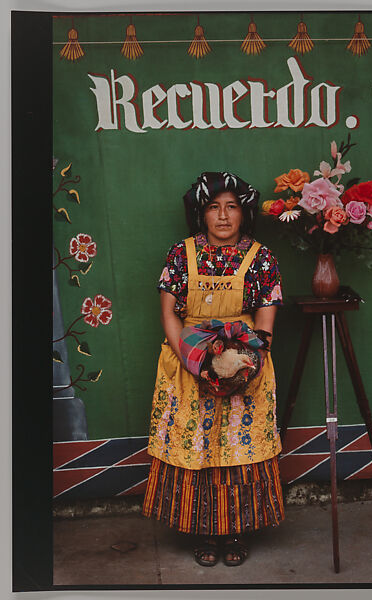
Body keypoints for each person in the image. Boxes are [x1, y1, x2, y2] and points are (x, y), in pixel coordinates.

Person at [142, 171, 285, 567]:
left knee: (237, 447)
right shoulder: (181, 254)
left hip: (242, 360)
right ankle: (203, 529)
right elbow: (170, 315)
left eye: (232, 207)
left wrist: (248, 363)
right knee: (198, 446)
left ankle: (235, 529)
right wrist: (192, 359)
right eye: (213, 207)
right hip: (188, 359)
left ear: (245, 213)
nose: (222, 216)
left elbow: (265, 321)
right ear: (200, 214)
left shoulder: (260, 258)